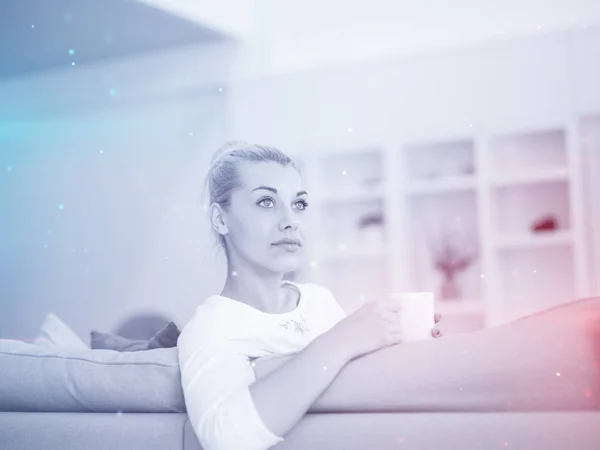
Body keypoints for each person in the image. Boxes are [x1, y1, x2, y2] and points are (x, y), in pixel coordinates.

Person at [177, 141, 443, 450]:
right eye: (266, 202)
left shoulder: (319, 302)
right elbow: (224, 438)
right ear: (220, 219)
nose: (290, 220)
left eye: (298, 204)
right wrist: (345, 337)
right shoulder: (211, 326)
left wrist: (405, 350)